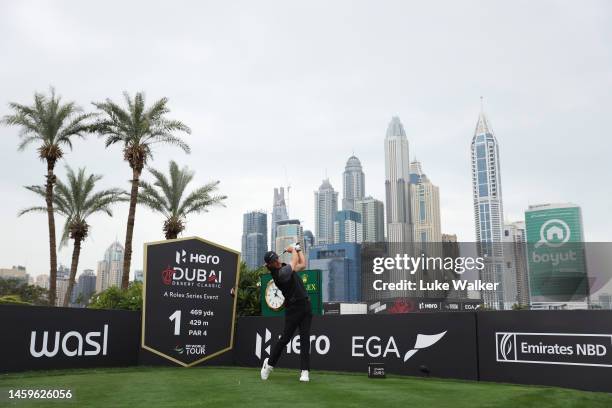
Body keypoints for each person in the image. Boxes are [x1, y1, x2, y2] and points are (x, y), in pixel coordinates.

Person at [260, 243, 312, 382]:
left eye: (276, 258)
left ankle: (305, 371)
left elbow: (302, 264)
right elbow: (294, 261)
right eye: (273, 261)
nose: (277, 261)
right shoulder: (280, 274)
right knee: (285, 339)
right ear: (269, 265)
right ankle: (269, 365)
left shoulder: (284, 268)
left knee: (305, 339)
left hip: (305, 305)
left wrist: (299, 250)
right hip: (293, 309)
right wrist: (293, 250)